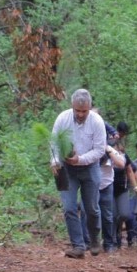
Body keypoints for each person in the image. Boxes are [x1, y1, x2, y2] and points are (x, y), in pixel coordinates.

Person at [50, 89, 107, 259]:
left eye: (84, 111)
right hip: (67, 169)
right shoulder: (63, 118)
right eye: (78, 110)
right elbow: (54, 141)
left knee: (91, 208)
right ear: (72, 107)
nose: (81, 114)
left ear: (90, 108)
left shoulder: (97, 122)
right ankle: (78, 246)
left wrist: (80, 159)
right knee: (69, 208)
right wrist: (54, 161)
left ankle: (94, 240)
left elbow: (100, 150)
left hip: (90, 167)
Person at [80, 124, 125, 253]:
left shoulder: (109, 149)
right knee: (85, 212)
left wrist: (108, 150)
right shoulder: (86, 148)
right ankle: (87, 242)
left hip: (106, 185)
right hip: (89, 186)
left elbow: (121, 164)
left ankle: (109, 244)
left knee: (107, 216)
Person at [112, 122, 137, 248]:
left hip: (122, 189)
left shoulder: (124, 157)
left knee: (124, 214)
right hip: (109, 189)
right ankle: (113, 239)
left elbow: (130, 170)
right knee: (111, 215)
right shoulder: (107, 157)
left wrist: (136, 187)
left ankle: (117, 229)